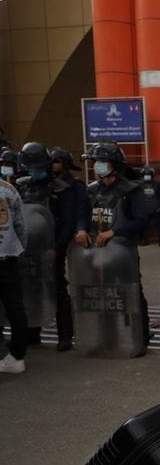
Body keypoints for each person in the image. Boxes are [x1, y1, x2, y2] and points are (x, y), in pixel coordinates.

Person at [76, 143, 151, 350]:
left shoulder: (131, 190)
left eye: (101, 162)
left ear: (114, 165)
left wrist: (114, 232)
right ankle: (105, 335)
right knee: (100, 292)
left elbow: (140, 219)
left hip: (122, 252)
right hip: (94, 252)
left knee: (130, 292)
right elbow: (81, 214)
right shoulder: (91, 190)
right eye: (95, 163)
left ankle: (139, 336)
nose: (96, 166)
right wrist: (81, 229)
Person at [16, 141, 78, 350]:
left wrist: (57, 249)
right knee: (29, 288)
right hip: (27, 248)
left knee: (58, 289)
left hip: (52, 247)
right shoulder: (21, 186)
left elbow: (68, 221)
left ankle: (65, 336)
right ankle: (32, 332)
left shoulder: (61, 189)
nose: (35, 172)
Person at [0, 178, 28, 373]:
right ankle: (17, 357)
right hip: (8, 258)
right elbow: (21, 225)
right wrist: (19, 249)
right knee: (15, 308)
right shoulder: (9, 189)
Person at [137, 166, 160, 245]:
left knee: (159, 226)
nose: (147, 176)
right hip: (144, 209)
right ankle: (145, 240)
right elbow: (137, 197)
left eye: (149, 175)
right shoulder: (140, 185)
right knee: (144, 226)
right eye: (145, 175)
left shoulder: (157, 184)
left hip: (156, 209)